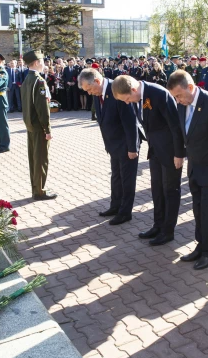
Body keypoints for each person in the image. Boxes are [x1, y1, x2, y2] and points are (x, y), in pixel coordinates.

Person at [112, 75, 186, 246]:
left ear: (133, 89)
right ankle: (158, 225)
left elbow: (175, 125)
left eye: (128, 99)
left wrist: (179, 153)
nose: (127, 103)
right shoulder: (136, 97)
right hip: (155, 151)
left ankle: (168, 231)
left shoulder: (159, 93)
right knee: (157, 190)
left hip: (169, 152)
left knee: (170, 191)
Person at [167, 70, 208, 270]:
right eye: (175, 97)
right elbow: (180, 132)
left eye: (179, 95)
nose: (178, 100)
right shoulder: (182, 104)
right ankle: (200, 246)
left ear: (191, 88)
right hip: (195, 167)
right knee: (198, 210)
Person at [79, 68, 140, 224]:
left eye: (90, 89)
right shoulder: (97, 93)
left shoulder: (117, 89)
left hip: (126, 145)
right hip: (113, 145)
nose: (89, 93)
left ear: (98, 81)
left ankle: (125, 212)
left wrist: (133, 147)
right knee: (116, 177)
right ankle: (115, 206)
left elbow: (130, 121)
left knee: (127, 179)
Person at [20, 50, 56, 201]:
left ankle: (36, 188)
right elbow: (42, 109)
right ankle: (39, 191)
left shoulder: (27, 79)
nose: (44, 64)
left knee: (33, 158)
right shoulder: (39, 81)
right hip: (39, 126)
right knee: (41, 159)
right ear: (35, 63)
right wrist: (47, 129)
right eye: (42, 61)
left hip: (30, 125)